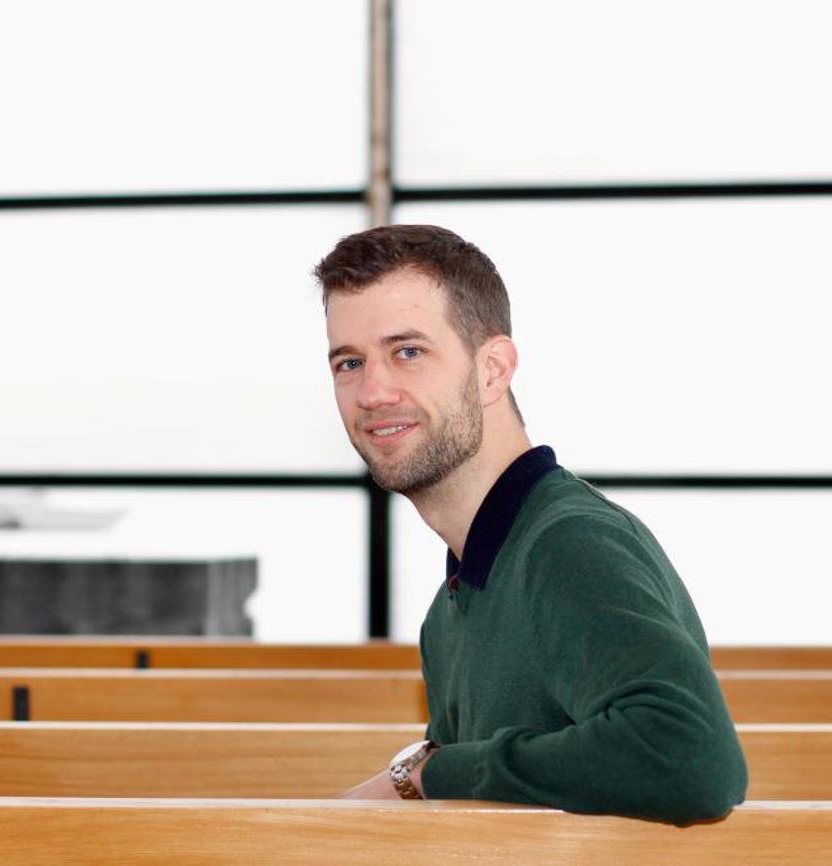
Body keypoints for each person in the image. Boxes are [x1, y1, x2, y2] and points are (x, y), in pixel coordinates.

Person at [314, 224, 747, 825]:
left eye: (408, 352)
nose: (373, 390)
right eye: (349, 362)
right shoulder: (451, 606)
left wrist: (427, 772)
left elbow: (691, 762)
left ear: (493, 369)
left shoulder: (568, 543)